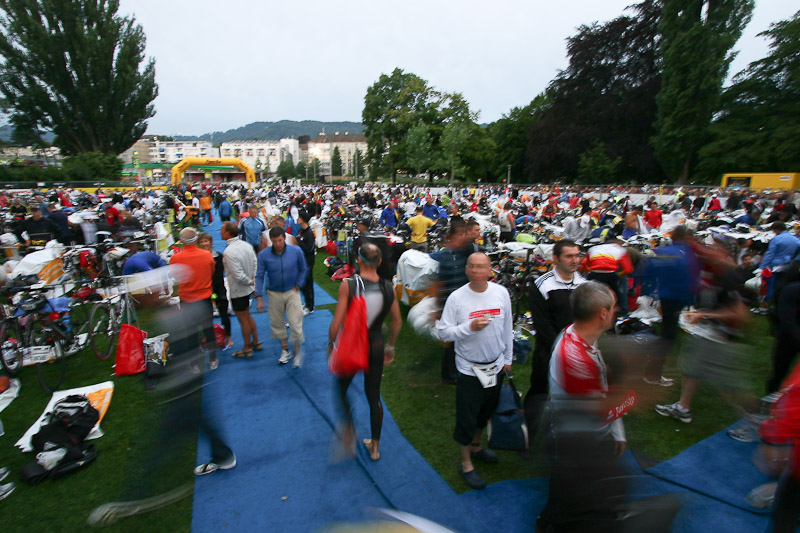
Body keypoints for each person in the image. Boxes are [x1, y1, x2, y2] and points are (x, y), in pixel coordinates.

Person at [536, 281, 630, 532]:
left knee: (580, 497)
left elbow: (602, 386)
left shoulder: (580, 336)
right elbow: (599, 410)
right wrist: (633, 397)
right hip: (572, 443)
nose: (617, 310)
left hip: (581, 438)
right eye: (613, 307)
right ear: (602, 314)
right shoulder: (575, 356)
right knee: (566, 504)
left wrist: (617, 431)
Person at [437, 252, 513, 490]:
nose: (477, 271)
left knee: (485, 412)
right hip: (470, 369)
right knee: (467, 417)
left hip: (496, 365)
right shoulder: (457, 298)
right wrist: (469, 327)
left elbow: (508, 325)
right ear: (467, 270)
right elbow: (444, 333)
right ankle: (466, 463)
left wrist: (508, 358)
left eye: (482, 267)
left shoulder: (501, 293)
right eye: (473, 267)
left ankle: (477, 446)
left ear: (491, 269)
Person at [654, 244, 750, 423]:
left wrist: (705, 314)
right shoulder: (710, 272)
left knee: (727, 385)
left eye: (713, 250)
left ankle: (757, 419)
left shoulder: (727, 276)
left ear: (723, 253)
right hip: (707, 332)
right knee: (690, 370)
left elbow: (740, 313)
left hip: (718, 336)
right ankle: (683, 407)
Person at [328, 243, 402, 461]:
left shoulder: (348, 285)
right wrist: (390, 347)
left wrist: (331, 343)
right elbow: (397, 322)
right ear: (379, 262)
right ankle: (375, 447)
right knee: (373, 396)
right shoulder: (388, 287)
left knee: (341, 389)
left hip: (352, 346)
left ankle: (349, 428)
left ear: (359, 260)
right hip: (376, 346)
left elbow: (337, 323)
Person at [524, 240, 586, 443]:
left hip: (578, 352)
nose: (575, 260)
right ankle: (528, 438)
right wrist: (563, 349)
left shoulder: (584, 284)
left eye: (577, 255)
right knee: (539, 393)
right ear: (556, 259)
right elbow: (542, 325)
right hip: (548, 352)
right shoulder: (542, 285)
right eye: (569, 256)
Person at [644, 225, 699, 387]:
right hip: (675, 298)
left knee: (667, 334)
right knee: (668, 337)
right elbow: (691, 277)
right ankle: (653, 373)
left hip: (667, 296)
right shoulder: (686, 254)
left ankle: (653, 370)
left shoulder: (665, 251)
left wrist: (652, 290)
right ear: (686, 238)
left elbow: (650, 270)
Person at [430, 221, 479, 385]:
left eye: (464, 235)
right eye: (460, 235)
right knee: (452, 340)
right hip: (449, 305)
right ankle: (448, 375)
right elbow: (440, 282)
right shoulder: (445, 257)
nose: (463, 238)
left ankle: (460, 369)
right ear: (451, 238)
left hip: (465, 303)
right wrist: (437, 307)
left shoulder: (465, 253)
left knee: (463, 337)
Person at [255, 227, 308, 367]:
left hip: (292, 291)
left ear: (284, 238)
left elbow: (304, 268)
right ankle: (285, 350)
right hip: (273, 293)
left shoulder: (296, 251)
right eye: (274, 241)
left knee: (296, 322)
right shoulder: (264, 255)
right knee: (277, 324)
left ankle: (296, 352)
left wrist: (299, 284)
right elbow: (259, 275)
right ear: (270, 241)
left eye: (279, 240)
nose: (277, 244)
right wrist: (259, 296)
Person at [169, 227, 218, 370]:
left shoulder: (176, 258)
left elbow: (175, 277)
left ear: (182, 241)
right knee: (209, 329)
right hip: (204, 298)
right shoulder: (206, 255)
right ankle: (213, 359)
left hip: (187, 299)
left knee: (191, 332)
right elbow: (211, 272)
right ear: (196, 240)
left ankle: (194, 364)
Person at [220, 222, 259, 358]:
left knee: (243, 319)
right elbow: (255, 263)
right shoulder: (246, 245)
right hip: (247, 287)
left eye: (222, 230)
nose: (220, 232)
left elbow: (237, 275)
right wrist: (253, 281)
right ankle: (256, 342)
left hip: (238, 290)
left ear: (228, 233)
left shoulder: (229, 252)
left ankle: (247, 347)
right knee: (247, 316)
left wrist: (249, 282)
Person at [197, 233, 234, 351]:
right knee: (205, 317)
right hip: (203, 291)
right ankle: (207, 339)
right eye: (201, 242)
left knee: (224, 313)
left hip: (218, 289)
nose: (204, 244)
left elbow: (218, 274)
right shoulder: (197, 258)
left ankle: (228, 337)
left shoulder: (218, 256)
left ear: (211, 242)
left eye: (206, 241)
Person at [296, 211, 317, 315]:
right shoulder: (301, 231)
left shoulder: (309, 233)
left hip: (308, 262)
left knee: (308, 284)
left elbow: (309, 249)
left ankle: (310, 306)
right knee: (303, 285)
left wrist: (299, 241)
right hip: (302, 261)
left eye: (299, 217)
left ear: (303, 219)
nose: (297, 219)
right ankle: (307, 303)